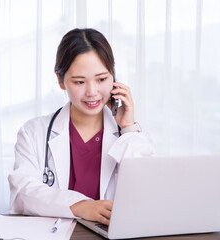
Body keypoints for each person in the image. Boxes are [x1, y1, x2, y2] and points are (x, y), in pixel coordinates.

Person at [8, 28, 155, 225]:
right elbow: (23, 193)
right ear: (60, 80)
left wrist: (128, 127)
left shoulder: (131, 135)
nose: (92, 92)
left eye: (102, 79)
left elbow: (147, 195)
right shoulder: (34, 132)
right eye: (79, 82)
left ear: (114, 78)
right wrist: (81, 206)